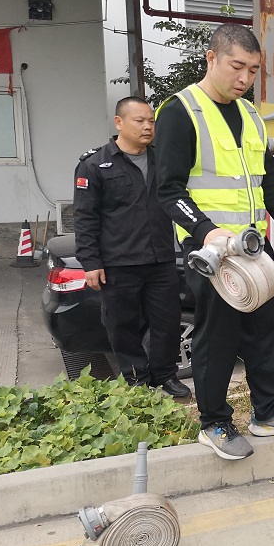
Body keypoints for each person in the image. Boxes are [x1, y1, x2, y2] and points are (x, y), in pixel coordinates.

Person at [154, 23, 274, 461]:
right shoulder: (181, 111)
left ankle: (269, 413)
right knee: (218, 337)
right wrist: (205, 230)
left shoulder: (249, 114)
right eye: (237, 66)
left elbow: (268, 176)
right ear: (211, 58)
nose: (245, 78)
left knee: (265, 332)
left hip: (253, 245)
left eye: (253, 70)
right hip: (211, 251)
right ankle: (214, 422)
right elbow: (167, 189)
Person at [73, 97, 190, 398]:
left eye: (151, 121)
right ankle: (136, 378)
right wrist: (90, 262)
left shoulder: (163, 160)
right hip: (118, 262)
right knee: (122, 325)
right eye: (140, 121)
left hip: (161, 259)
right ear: (119, 122)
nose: (148, 126)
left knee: (167, 322)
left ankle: (165, 375)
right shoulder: (95, 164)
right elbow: (85, 217)